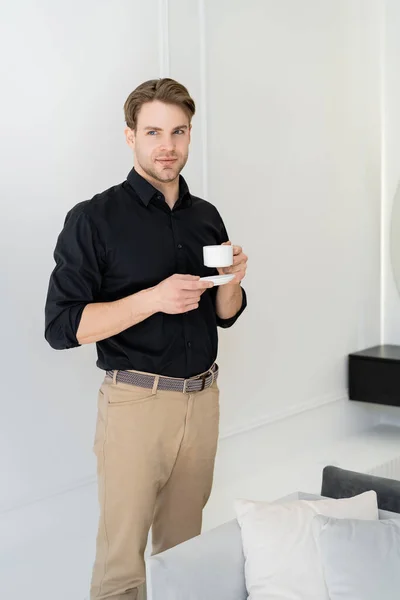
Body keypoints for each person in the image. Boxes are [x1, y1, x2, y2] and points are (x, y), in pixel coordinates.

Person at [44, 78, 248, 600]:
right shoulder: (93, 219)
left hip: (202, 403)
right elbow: (62, 327)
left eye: (179, 132)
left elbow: (224, 316)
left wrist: (234, 283)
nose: (168, 146)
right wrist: (152, 299)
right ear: (130, 136)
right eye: (154, 131)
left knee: (184, 557)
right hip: (136, 404)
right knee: (122, 570)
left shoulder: (206, 217)